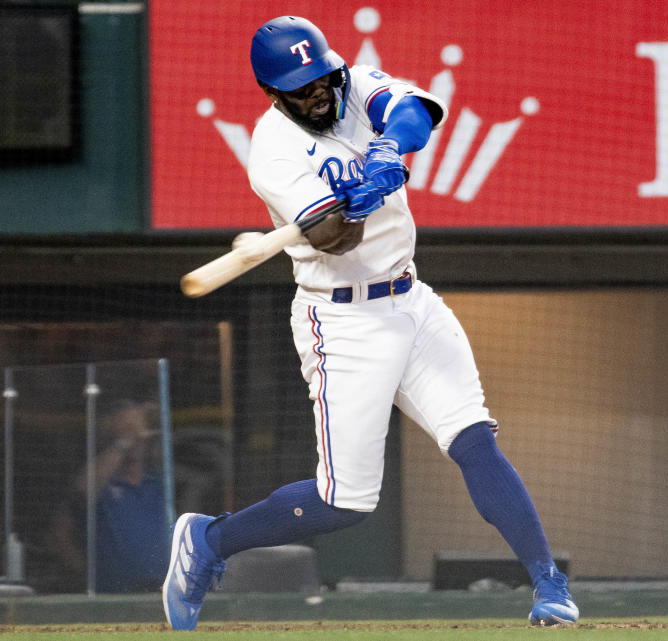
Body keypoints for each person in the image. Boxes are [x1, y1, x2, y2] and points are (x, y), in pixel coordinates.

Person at [162, 15, 578, 630]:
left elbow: (415, 110)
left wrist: (387, 150)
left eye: (322, 77)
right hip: (342, 320)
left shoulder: (353, 84)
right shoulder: (273, 151)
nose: (319, 92)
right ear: (274, 96)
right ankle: (210, 541)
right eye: (301, 88)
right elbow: (331, 239)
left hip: (411, 300)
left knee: (473, 439)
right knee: (345, 502)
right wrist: (352, 201)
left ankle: (549, 584)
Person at [49, 399, 169, 593]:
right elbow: (60, 533)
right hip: (115, 596)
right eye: (126, 430)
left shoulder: (158, 484)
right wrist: (90, 574)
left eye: (139, 430)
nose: (136, 437)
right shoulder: (101, 482)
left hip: (161, 592)